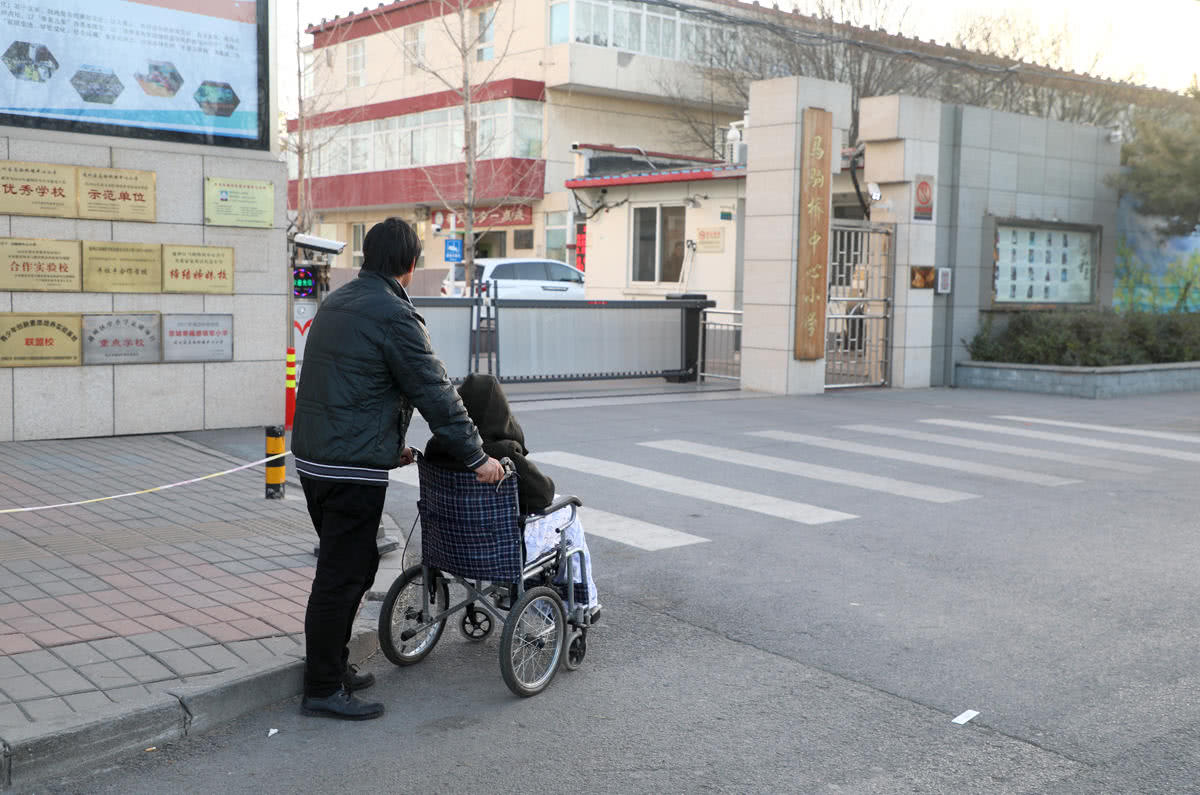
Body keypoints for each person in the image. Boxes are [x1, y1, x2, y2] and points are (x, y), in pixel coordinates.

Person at [291, 218, 504, 721]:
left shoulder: (339, 301)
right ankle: (322, 686)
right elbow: (436, 392)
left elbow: (350, 390)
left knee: (352, 566)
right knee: (343, 576)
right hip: (347, 469)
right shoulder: (394, 314)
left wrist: (389, 450)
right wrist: (477, 458)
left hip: (315, 459)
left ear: (368, 257)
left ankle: (333, 668)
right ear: (411, 264)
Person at [424, 374, 600, 614]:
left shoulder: (435, 449)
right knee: (568, 515)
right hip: (498, 551)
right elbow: (543, 495)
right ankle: (580, 604)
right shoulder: (503, 454)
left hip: (448, 545)